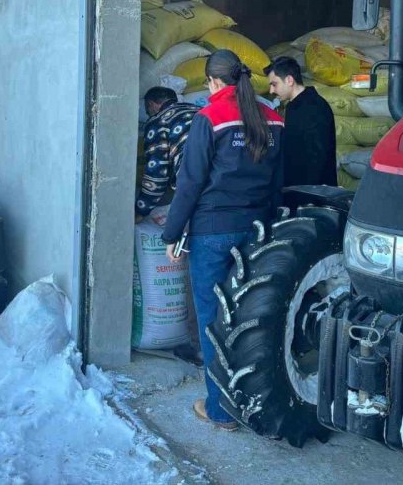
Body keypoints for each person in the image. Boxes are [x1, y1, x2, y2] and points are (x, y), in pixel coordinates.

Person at [162, 49, 284, 431]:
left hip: (213, 232)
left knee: (212, 320)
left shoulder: (209, 117)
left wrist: (172, 232)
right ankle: (254, 398)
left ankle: (221, 409)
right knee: (251, 317)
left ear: (213, 82)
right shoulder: (274, 119)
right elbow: (278, 181)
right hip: (257, 230)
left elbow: (191, 182)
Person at [264, 56, 337, 187]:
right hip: (297, 190)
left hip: (311, 194)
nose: (271, 91)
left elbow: (317, 158)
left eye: (274, 84)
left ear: (289, 80)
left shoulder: (315, 108)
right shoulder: (294, 106)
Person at [135, 87, 199, 221]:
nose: (149, 114)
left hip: (197, 185)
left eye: (148, 111)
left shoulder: (158, 121)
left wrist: (141, 209)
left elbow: (157, 171)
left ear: (151, 105)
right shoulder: (199, 111)